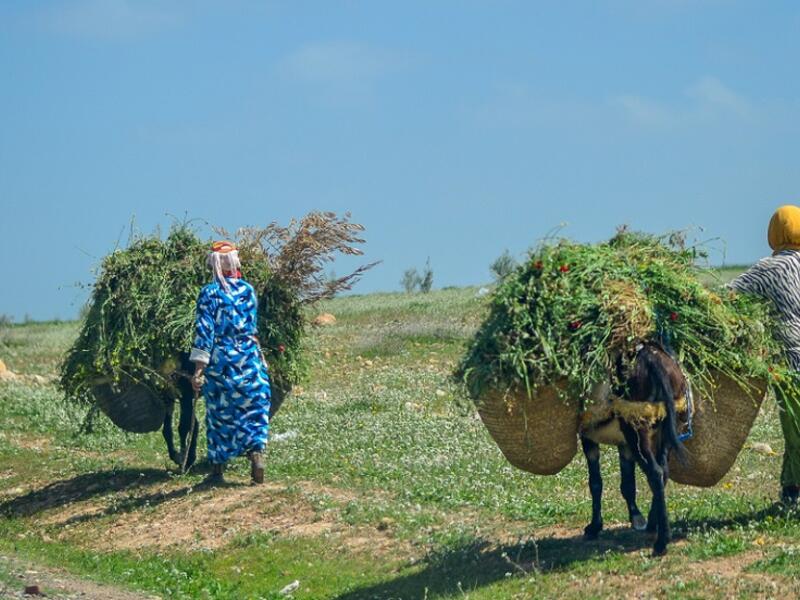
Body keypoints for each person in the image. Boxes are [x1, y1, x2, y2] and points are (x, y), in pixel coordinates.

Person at [729, 205, 800, 506]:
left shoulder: (768, 269)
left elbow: (727, 295)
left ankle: (792, 493)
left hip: (789, 361)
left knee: (796, 429)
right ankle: (791, 491)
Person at [189, 240, 271, 485]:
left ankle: (217, 471)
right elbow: (252, 327)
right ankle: (256, 456)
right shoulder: (247, 289)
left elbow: (205, 332)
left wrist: (198, 371)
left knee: (219, 412)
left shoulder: (209, 293)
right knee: (252, 409)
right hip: (249, 357)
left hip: (222, 360)